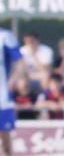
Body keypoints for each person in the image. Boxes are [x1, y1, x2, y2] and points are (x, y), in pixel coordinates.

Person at [0, 28, 22, 156]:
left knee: (5, 140)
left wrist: (13, 79)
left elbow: (20, 61)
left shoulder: (5, 36)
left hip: (2, 98)